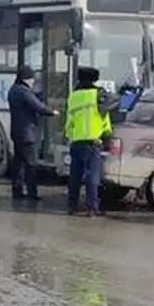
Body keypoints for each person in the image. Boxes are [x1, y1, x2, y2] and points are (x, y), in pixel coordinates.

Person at [64, 67, 116, 217]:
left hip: (76, 141)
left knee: (75, 176)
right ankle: (92, 208)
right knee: (92, 177)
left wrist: (69, 135)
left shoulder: (74, 96)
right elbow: (105, 115)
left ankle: (72, 206)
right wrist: (108, 134)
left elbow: (69, 120)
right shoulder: (99, 94)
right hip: (93, 142)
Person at [7, 65, 58, 200]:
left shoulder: (13, 90)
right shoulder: (24, 92)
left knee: (18, 163)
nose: (33, 82)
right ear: (26, 79)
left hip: (17, 132)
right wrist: (52, 112)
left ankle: (17, 191)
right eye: (31, 79)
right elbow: (37, 106)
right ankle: (32, 193)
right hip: (27, 133)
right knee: (31, 164)